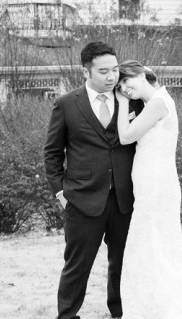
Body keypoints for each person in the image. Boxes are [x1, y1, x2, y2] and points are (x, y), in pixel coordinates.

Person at [44, 42, 143, 319]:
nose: (112, 76)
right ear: (85, 72)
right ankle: (67, 315)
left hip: (125, 199)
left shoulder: (132, 101)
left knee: (122, 263)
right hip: (82, 199)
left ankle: (120, 312)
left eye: (115, 69)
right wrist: (60, 193)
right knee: (77, 265)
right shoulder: (66, 104)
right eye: (103, 71)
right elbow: (52, 153)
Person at [115, 60, 182, 319]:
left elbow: (125, 136)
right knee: (153, 244)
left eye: (126, 80)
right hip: (152, 184)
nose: (124, 88)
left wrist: (122, 102)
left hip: (156, 184)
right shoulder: (153, 103)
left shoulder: (158, 103)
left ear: (141, 74)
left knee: (154, 243)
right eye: (120, 85)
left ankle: (167, 305)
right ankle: (155, 305)